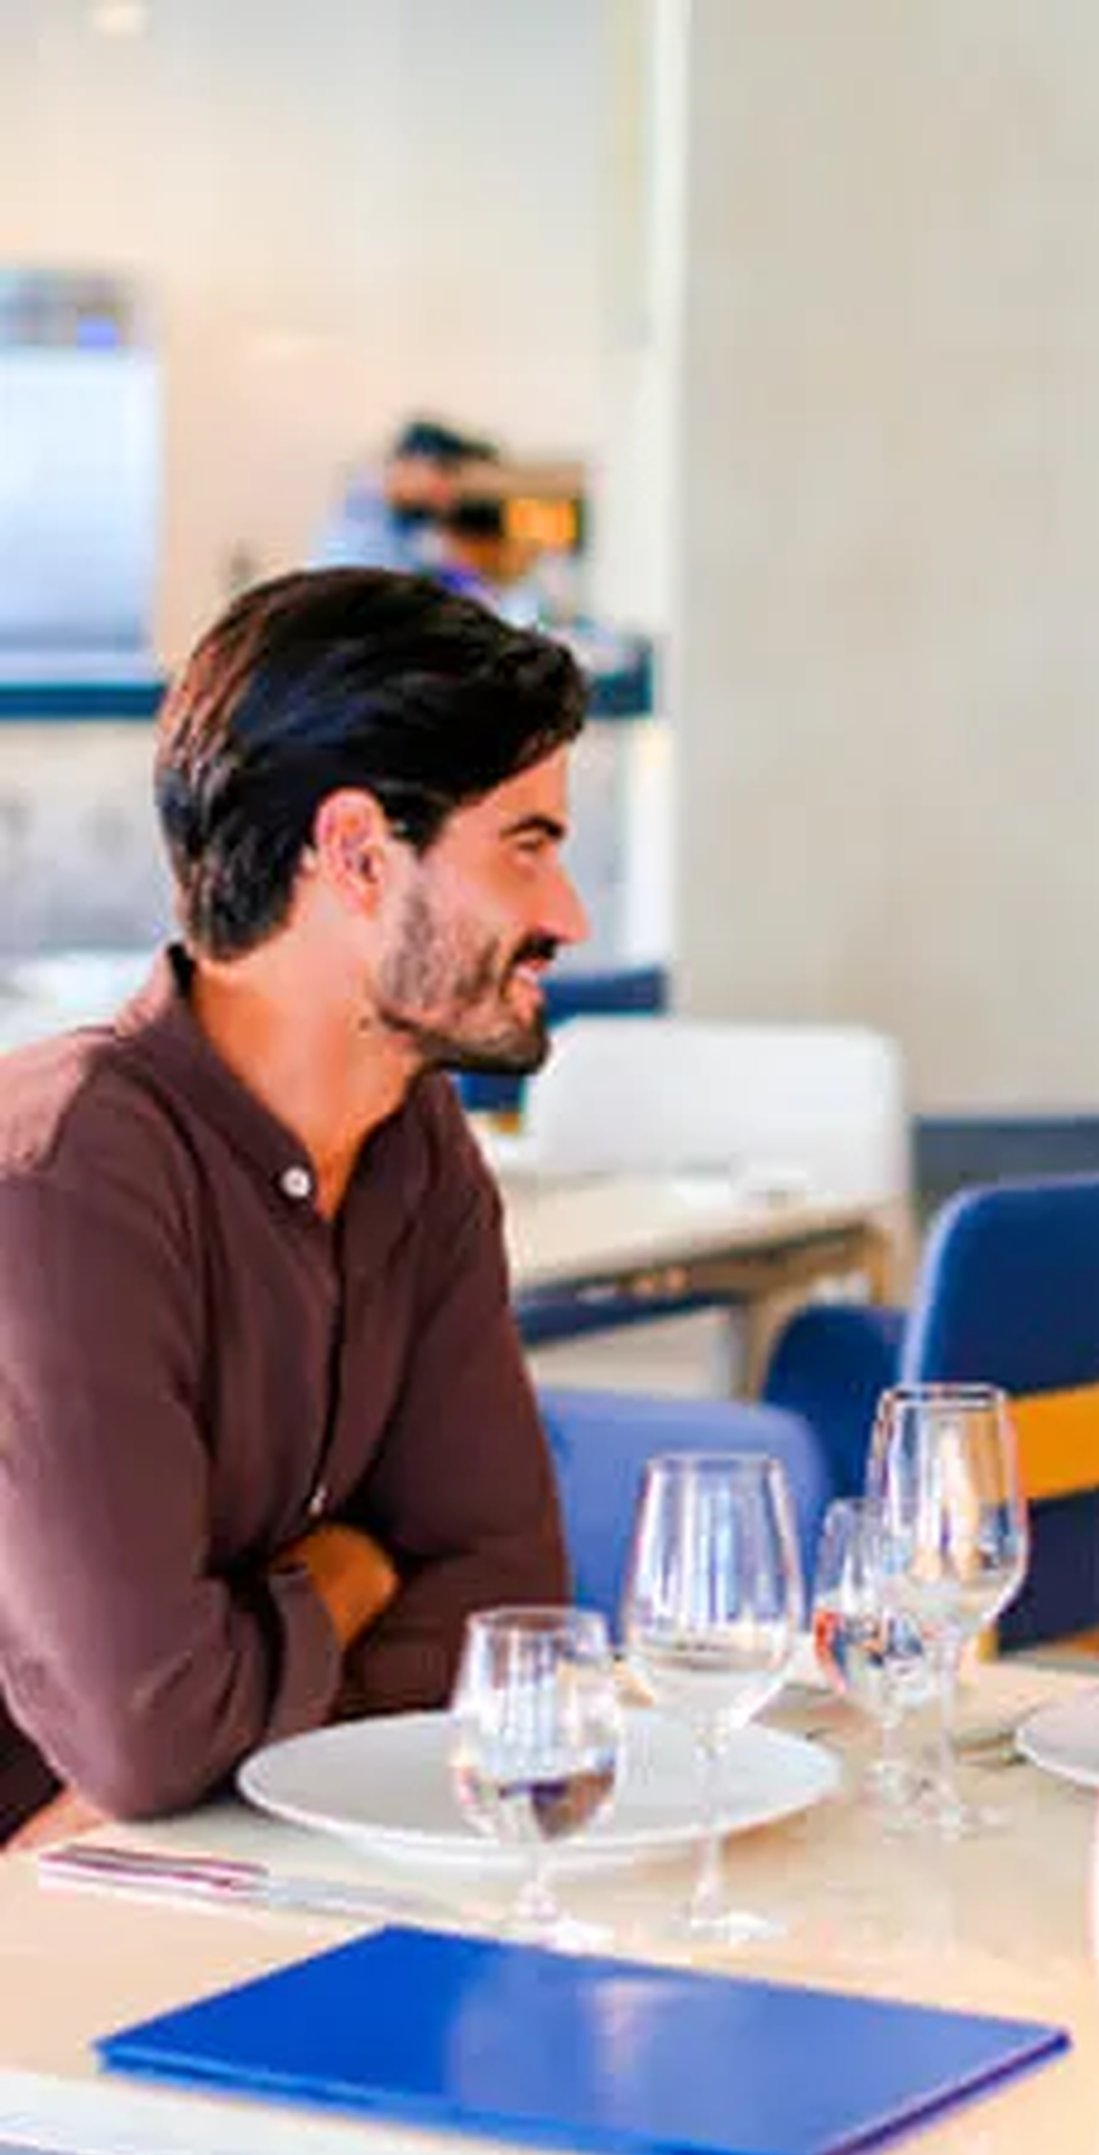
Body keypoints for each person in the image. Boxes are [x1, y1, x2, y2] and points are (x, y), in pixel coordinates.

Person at [0, 568, 591, 1848]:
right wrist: (350, 1569)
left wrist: (245, 1682)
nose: (568, 918)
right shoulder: (62, 1179)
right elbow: (147, 1732)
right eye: (527, 848)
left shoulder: (414, 1148)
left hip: (203, 1880)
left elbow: (506, 1616)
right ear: (356, 856)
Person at [309, 419, 497, 574]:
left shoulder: (412, 526)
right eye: (446, 472)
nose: (452, 493)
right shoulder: (363, 524)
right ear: (410, 464)